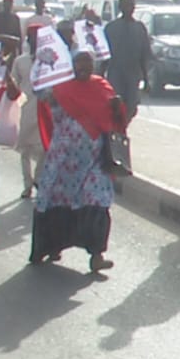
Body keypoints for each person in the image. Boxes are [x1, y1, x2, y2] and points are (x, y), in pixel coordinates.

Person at [32, 48, 126, 272]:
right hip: (63, 162)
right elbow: (40, 94)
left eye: (87, 62)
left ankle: (96, 256)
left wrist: (117, 107)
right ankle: (49, 246)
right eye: (79, 62)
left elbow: (114, 118)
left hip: (94, 161)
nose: (84, 67)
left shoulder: (102, 86)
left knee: (96, 202)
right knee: (56, 203)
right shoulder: (58, 89)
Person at [103, 0, 153, 122]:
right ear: (120, 7)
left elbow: (144, 54)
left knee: (132, 105)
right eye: (126, 5)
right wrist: (100, 76)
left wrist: (146, 80)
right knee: (115, 103)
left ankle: (123, 126)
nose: (129, 8)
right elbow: (103, 55)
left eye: (131, 5)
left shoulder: (139, 28)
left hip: (133, 73)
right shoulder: (111, 28)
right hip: (115, 72)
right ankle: (115, 129)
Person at [13, 26, 47, 199]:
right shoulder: (21, 61)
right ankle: (27, 185)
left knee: (45, 148)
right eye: (32, 39)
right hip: (25, 108)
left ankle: (39, 177)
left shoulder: (49, 60)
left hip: (44, 108)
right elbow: (14, 84)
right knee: (25, 149)